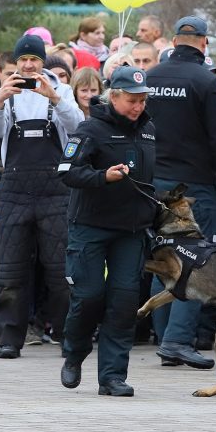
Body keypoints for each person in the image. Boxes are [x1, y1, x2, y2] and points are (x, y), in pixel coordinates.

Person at [144, 15, 216, 369]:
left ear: (173, 42)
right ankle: (176, 341)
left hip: (154, 186)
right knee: (196, 262)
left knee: (166, 259)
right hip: (195, 188)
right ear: (204, 43)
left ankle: (164, 336)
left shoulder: (150, 78)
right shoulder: (208, 83)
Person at [57, 65, 156, 396]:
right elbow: (67, 172)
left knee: (123, 302)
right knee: (88, 297)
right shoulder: (90, 129)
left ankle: (113, 376)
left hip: (131, 230)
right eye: (131, 100)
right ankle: (74, 353)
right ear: (113, 96)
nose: (138, 107)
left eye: (142, 100)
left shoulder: (149, 129)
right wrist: (102, 177)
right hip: (90, 226)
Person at [0, 34, 84, 359]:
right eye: (23, 59)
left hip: (55, 190)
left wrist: (54, 97)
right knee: (11, 269)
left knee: (59, 269)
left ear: (43, 61)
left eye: (35, 60)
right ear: (16, 62)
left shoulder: (63, 90)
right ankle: (10, 338)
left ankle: (67, 336)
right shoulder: (7, 91)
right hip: (14, 190)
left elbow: (78, 126)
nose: (28, 65)